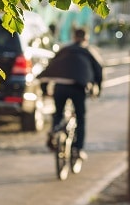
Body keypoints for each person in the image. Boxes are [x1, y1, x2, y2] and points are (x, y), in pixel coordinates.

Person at [38, 28, 103, 160]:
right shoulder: (88, 51)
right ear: (86, 39)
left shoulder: (64, 50)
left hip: (60, 86)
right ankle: (78, 149)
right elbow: (98, 71)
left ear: (74, 38)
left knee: (58, 113)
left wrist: (45, 89)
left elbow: (51, 68)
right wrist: (97, 89)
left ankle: (55, 130)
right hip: (78, 87)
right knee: (80, 118)